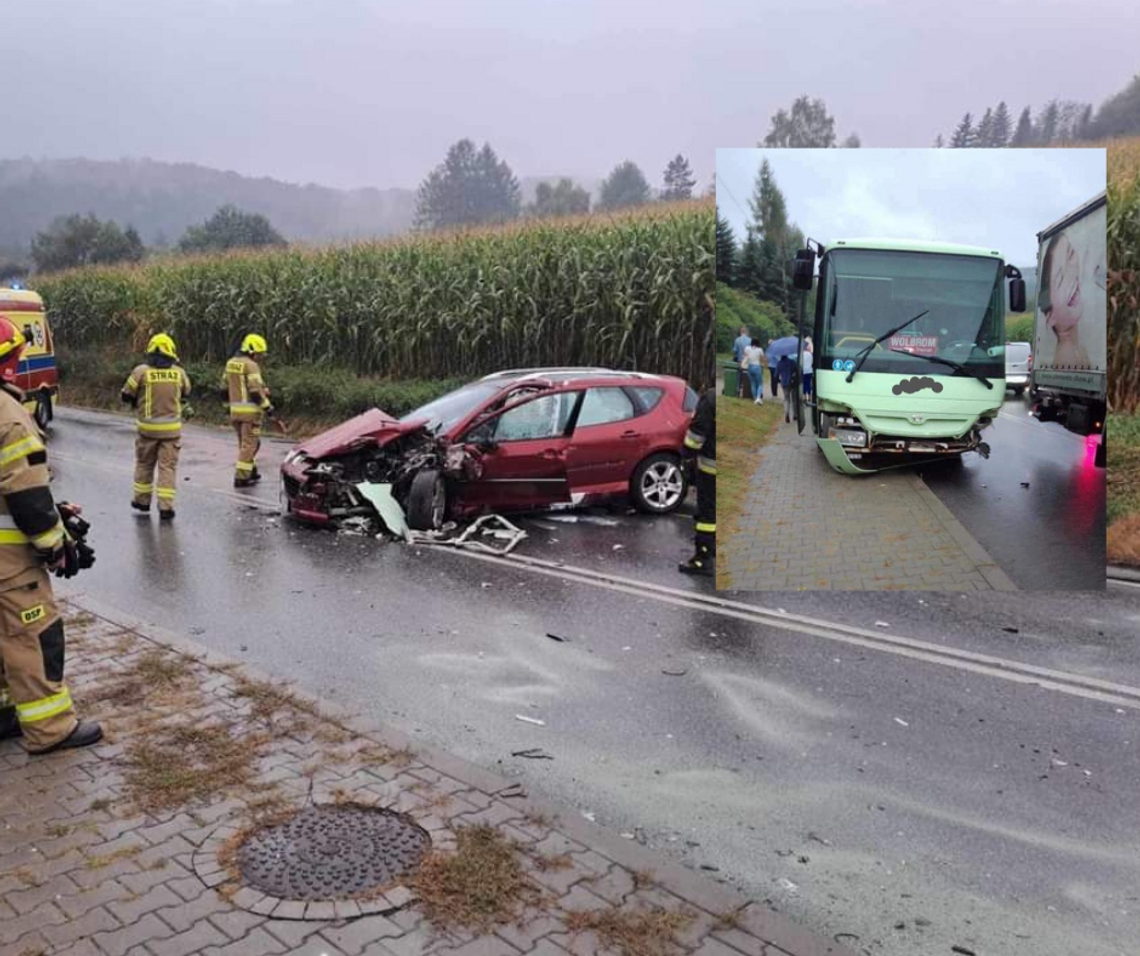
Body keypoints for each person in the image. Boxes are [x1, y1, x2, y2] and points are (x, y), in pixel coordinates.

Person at [0, 317, 101, 755]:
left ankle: (6, 714)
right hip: (9, 562)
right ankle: (51, 729)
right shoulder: (8, 413)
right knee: (34, 634)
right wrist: (56, 544)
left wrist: (52, 511)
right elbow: (24, 489)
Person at [121, 333, 192, 520]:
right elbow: (186, 393)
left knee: (144, 464)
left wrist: (138, 400)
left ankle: (142, 502)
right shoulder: (179, 373)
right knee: (167, 469)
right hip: (171, 432)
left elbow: (126, 395)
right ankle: (166, 507)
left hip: (147, 431)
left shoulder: (141, 372)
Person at [1039, 231, 1092, 368]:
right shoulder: (1067, 360)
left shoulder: (1079, 351)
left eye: (1071, 254)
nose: (1072, 276)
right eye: (1060, 279)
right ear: (1050, 317)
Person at [226, 334, 272, 487]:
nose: (260, 357)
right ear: (252, 351)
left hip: (235, 411)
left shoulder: (231, 363)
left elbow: (222, 388)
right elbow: (254, 391)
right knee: (250, 445)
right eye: (259, 354)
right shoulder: (251, 365)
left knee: (246, 444)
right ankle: (241, 478)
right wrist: (267, 406)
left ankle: (251, 471)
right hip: (250, 413)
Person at [679, 386, 714, 577]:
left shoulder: (710, 400)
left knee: (707, 517)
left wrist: (685, 456)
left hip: (710, 471)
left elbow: (696, 436)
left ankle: (703, 559)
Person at [743, 338, 765, 405]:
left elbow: (745, 355)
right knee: (760, 383)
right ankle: (758, 398)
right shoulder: (760, 350)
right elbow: (762, 359)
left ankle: (755, 398)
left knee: (753, 383)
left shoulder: (747, 348)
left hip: (750, 367)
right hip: (757, 367)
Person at [777, 353, 796, 424]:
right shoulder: (792, 362)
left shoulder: (779, 363)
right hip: (792, 382)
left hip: (784, 383)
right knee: (794, 399)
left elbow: (776, 374)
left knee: (786, 399)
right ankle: (795, 414)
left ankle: (787, 413)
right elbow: (796, 370)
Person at [732, 326, 750, 397]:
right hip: (747, 361)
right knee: (746, 376)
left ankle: (738, 391)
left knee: (739, 376)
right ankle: (746, 392)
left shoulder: (737, 340)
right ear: (746, 332)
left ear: (740, 332)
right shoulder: (750, 340)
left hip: (739, 361)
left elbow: (734, 350)